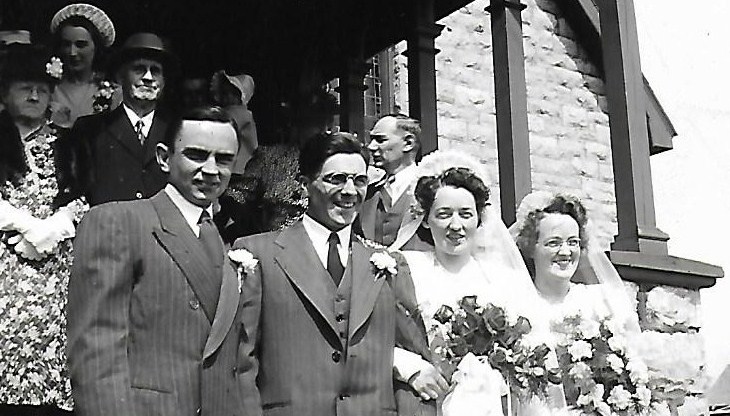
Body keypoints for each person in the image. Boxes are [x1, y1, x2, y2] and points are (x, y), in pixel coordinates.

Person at [66, 106, 261, 416]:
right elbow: (96, 354)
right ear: (163, 157)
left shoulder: (229, 241)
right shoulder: (120, 222)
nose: (211, 170)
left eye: (223, 159)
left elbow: (241, 364)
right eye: (196, 155)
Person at [234, 132, 414, 416]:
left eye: (359, 180)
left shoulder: (390, 264)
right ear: (305, 185)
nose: (349, 191)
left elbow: (415, 362)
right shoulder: (259, 255)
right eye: (336, 179)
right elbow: (242, 362)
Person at [0, 44, 87, 415]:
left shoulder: (68, 142)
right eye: (24, 87)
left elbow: (86, 193)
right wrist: (27, 225)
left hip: (56, 269)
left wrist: (57, 226)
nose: (35, 95)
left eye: (41, 87)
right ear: (4, 93)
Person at [510, 191, 641, 334]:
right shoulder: (516, 307)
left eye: (573, 242)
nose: (565, 252)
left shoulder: (603, 303)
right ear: (530, 247)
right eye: (554, 243)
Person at [68, 32, 176, 206]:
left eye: (155, 71)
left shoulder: (177, 130)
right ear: (120, 76)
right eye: (139, 69)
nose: (148, 78)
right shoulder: (89, 129)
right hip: (109, 229)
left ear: (163, 81)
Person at [49, 3, 121, 128]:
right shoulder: (48, 89)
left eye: (81, 45)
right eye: (66, 44)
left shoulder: (115, 93)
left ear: (96, 48)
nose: (72, 53)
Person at [359, 114, 423, 249]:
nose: (371, 146)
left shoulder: (429, 190)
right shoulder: (368, 192)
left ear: (408, 143)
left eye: (380, 140)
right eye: (371, 139)